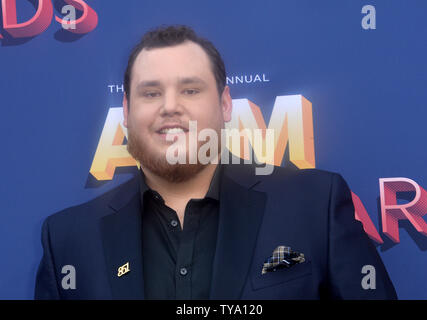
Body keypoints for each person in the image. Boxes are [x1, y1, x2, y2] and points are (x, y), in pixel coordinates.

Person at [34, 25, 397, 300]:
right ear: (126, 112)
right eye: (151, 92)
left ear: (225, 104)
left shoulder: (314, 204)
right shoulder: (67, 239)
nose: (170, 106)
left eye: (190, 89)